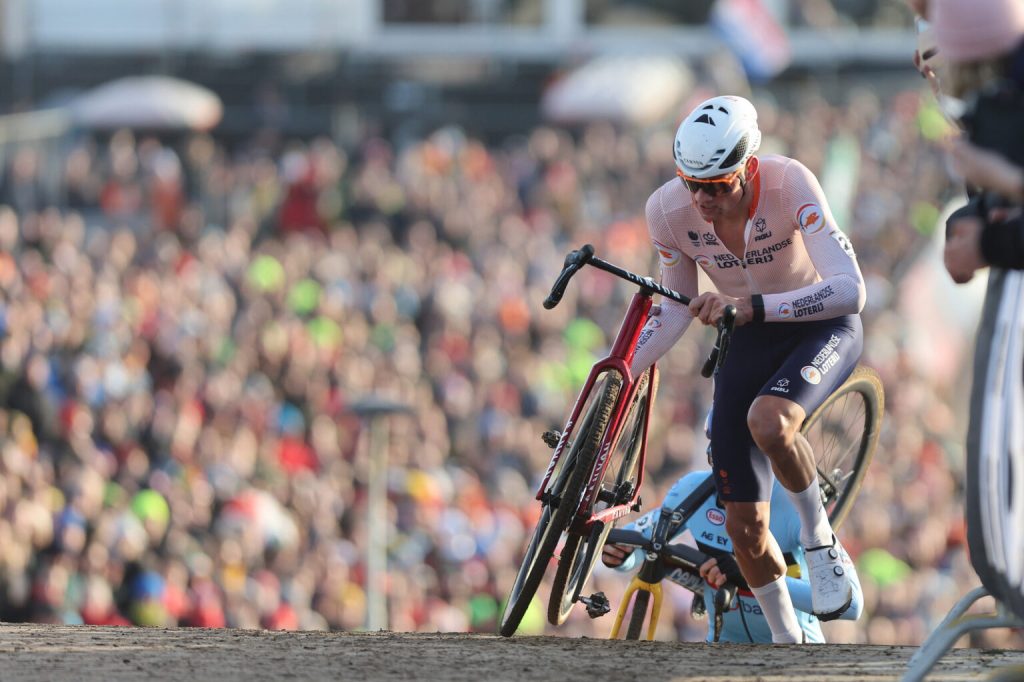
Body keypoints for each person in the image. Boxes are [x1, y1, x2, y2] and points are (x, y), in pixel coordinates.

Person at [623, 95, 867, 643]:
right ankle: (786, 643)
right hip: (749, 333)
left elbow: (851, 289)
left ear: (748, 168)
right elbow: (675, 306)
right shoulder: (667, 211)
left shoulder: (787, 183)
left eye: (718, 185)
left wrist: (754, 307)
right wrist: (625, 371)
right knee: (745, 529)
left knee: (770, 422)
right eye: (693, 184)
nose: (704, 199)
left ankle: (819, 538)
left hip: (819, 323)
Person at [602, 469, 864, 643]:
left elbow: (852, 606)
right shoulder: (694, 488)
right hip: (723, 646)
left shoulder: (793, 503)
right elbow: (642, 546)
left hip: (796, 650)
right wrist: (621, 556)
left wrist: (754, 577)